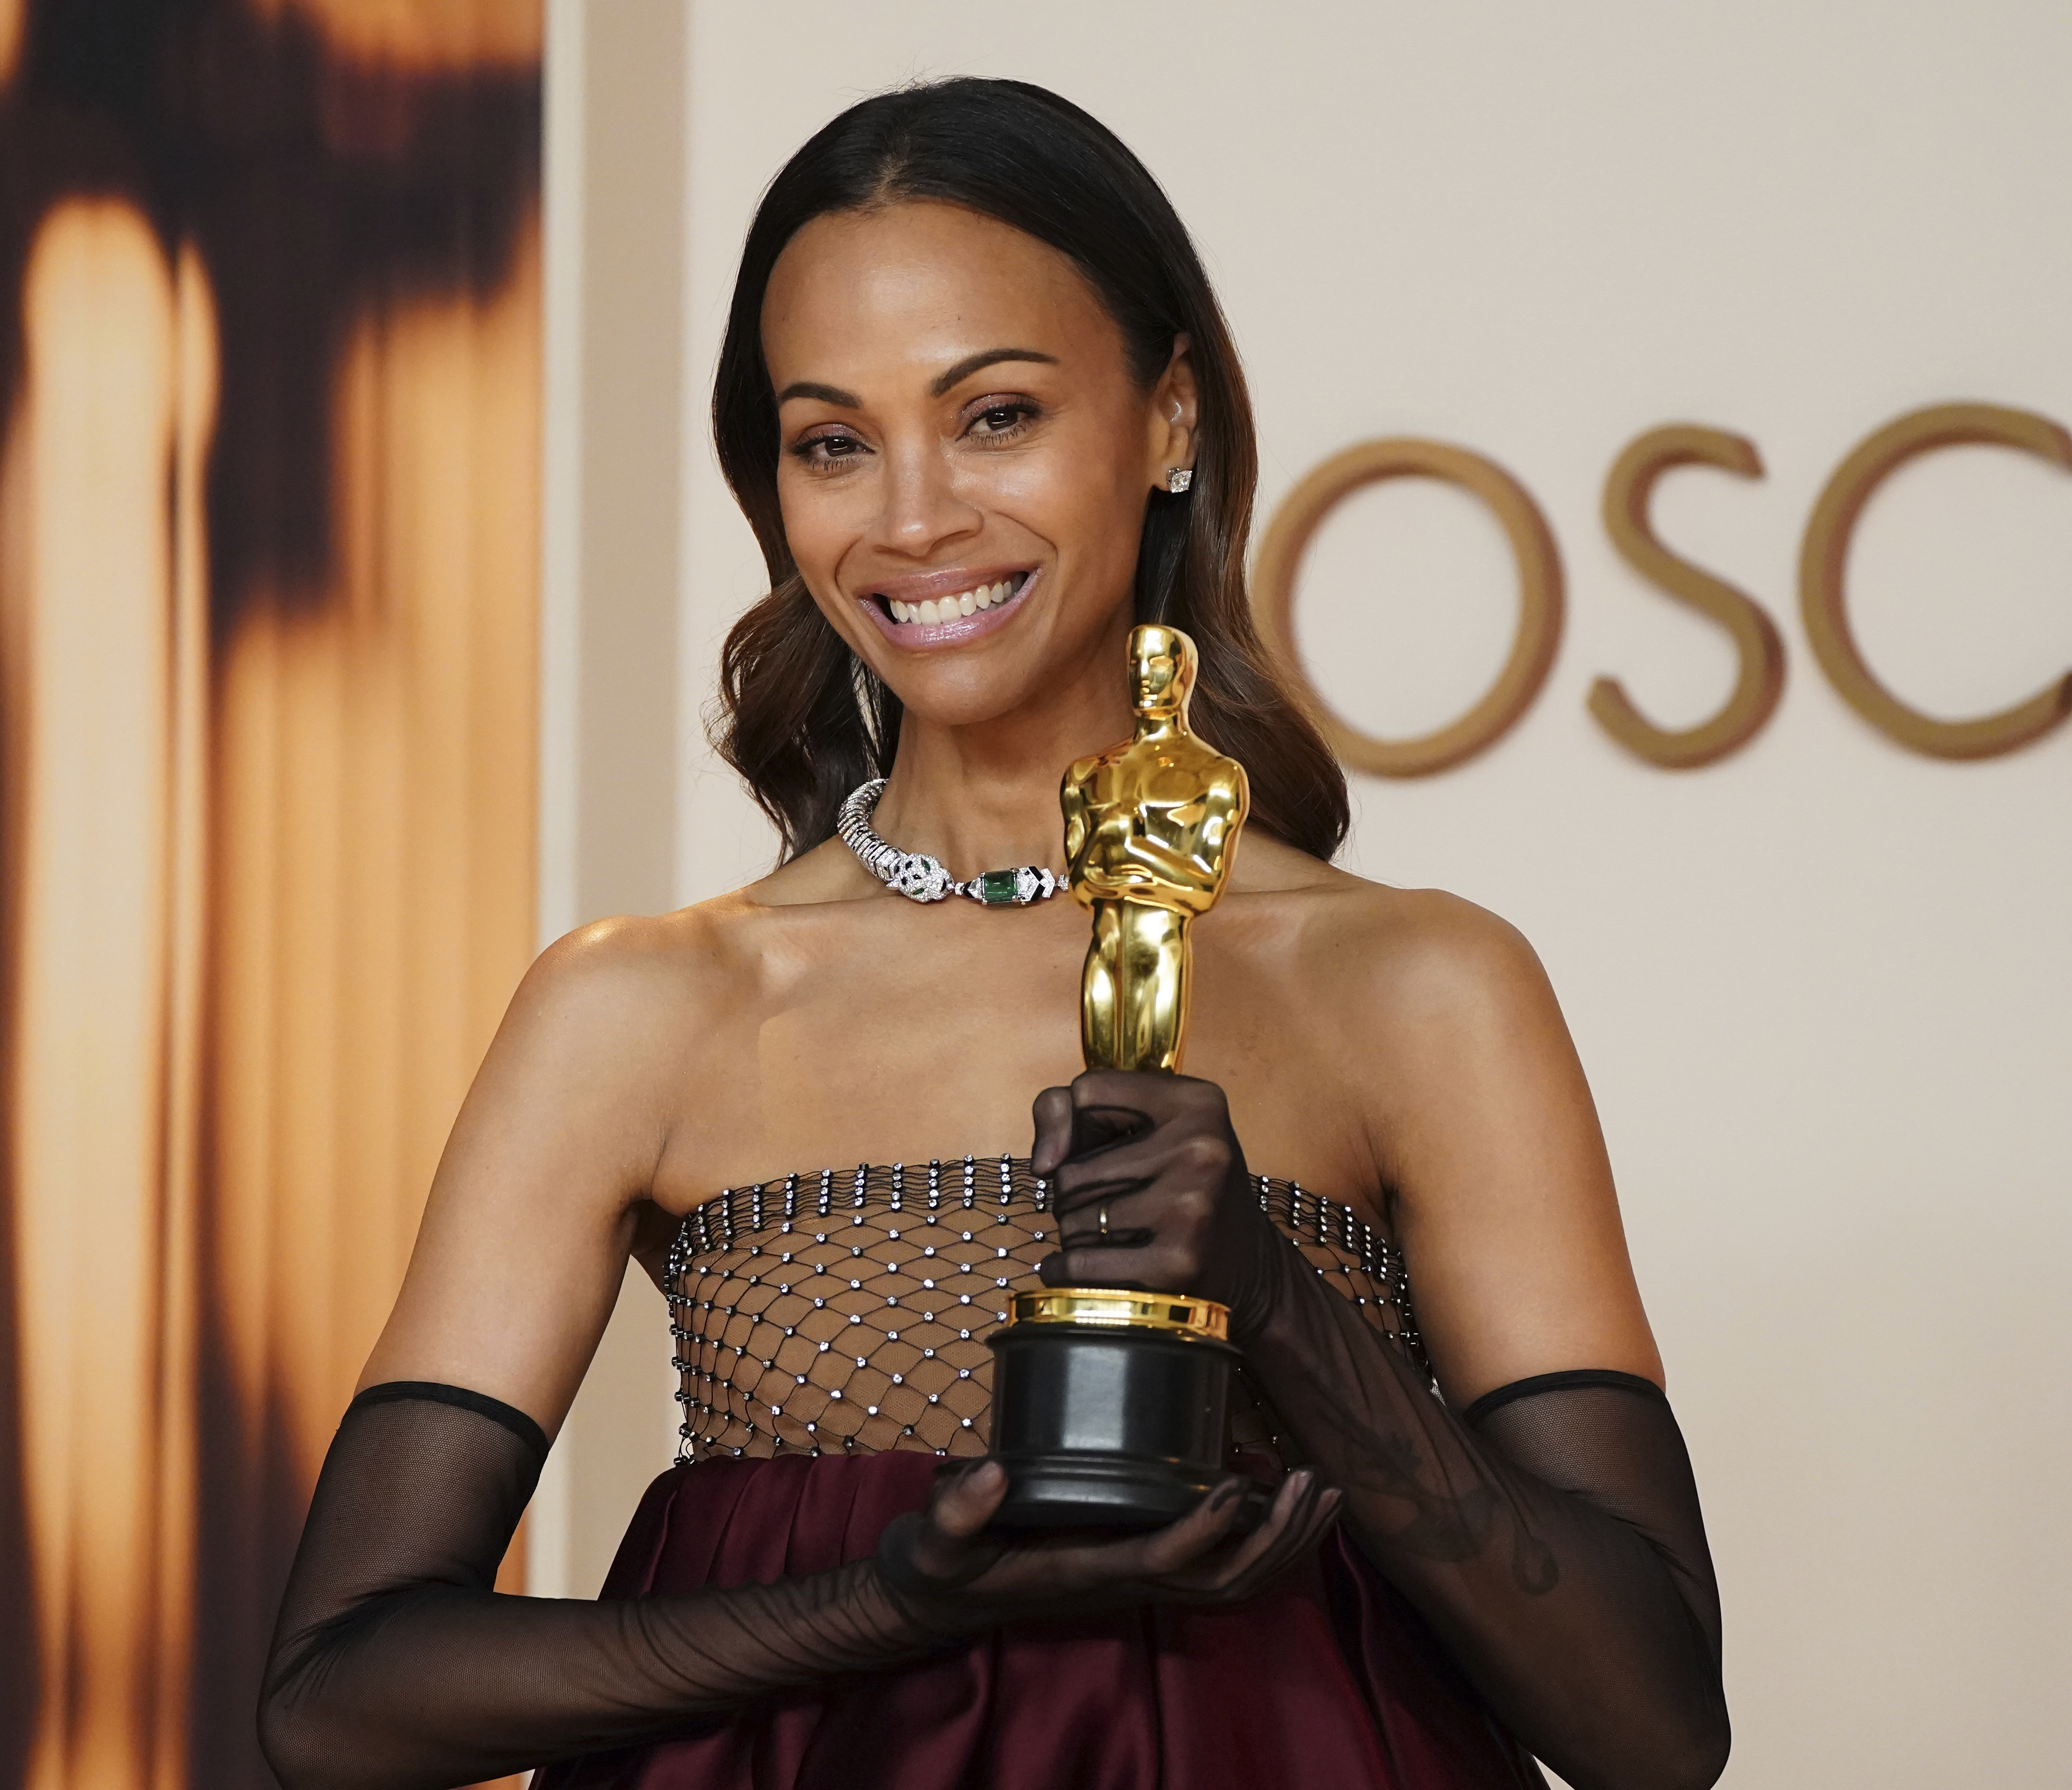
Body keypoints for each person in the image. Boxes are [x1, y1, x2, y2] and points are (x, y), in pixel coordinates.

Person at [259, 78, 1727, 1790]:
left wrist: (1274, 1297)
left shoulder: (1418, 987)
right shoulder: (646, 1007)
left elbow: (1650, 1730)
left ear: (1169, 417)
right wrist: (880, 1603)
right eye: (833, 441)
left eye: (996, 415)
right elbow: (337, 1702)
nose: (912, 517)